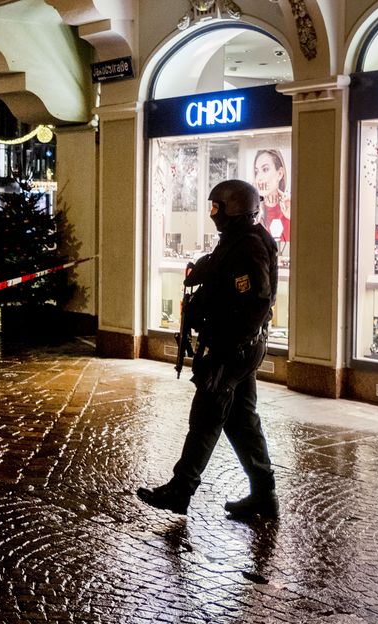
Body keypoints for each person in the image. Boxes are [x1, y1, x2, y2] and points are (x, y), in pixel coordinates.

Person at [137, 179, 280, 519]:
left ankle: (181, 489)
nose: (213, 213)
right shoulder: (239, 240)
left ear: (233, 208)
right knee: (241, 420)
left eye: (217, 207)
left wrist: (233, 347)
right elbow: (222, 273)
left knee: (205, 417)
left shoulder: (250, 246)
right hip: (236, 348)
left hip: (232, 349)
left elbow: (257, 301)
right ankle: (264, 495)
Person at [253, 149, 290, 243]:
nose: (259, 178)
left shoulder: (291, 210)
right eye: (256, 171)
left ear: (280, 173)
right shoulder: (252, 213)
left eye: (265, 169)